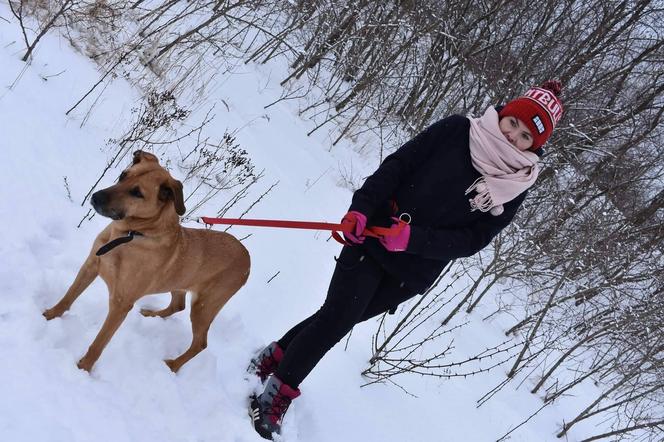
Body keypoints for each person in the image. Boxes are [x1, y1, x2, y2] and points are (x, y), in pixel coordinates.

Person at [247, 81, 564, 440]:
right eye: (513, 124)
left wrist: (416, 240)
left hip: (413, 270)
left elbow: (474, 239)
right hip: (373, 234)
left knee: (335, 318)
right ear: (504, 113)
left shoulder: (516, 183)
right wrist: (360, 209)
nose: (513, 137)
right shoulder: (458, 130)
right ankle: (277, 393)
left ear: (534, 147)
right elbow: (399, 165)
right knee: (337, 319)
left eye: (525, 138)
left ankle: (275, 357)